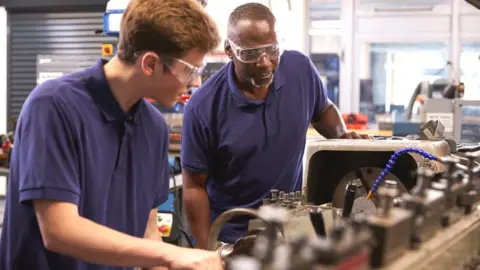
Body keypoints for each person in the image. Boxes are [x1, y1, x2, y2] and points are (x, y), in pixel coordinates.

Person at [0, 0, 223, 269]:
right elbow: (59, 230)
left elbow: (149, 232)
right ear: (150, 63)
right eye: (191, 70)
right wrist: (172, 255)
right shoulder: (53, 106)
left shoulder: (154, 128)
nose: (196, 82)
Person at [181, 3, 369, 249]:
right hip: (233, 238)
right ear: (229, 49)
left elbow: (323, 110)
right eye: (250, 53)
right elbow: (194, 186)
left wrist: (343, 138)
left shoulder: (299, 69)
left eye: (272, 50)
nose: (264, 63)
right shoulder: (203, 107)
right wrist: (206, 250)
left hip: (291, 228)